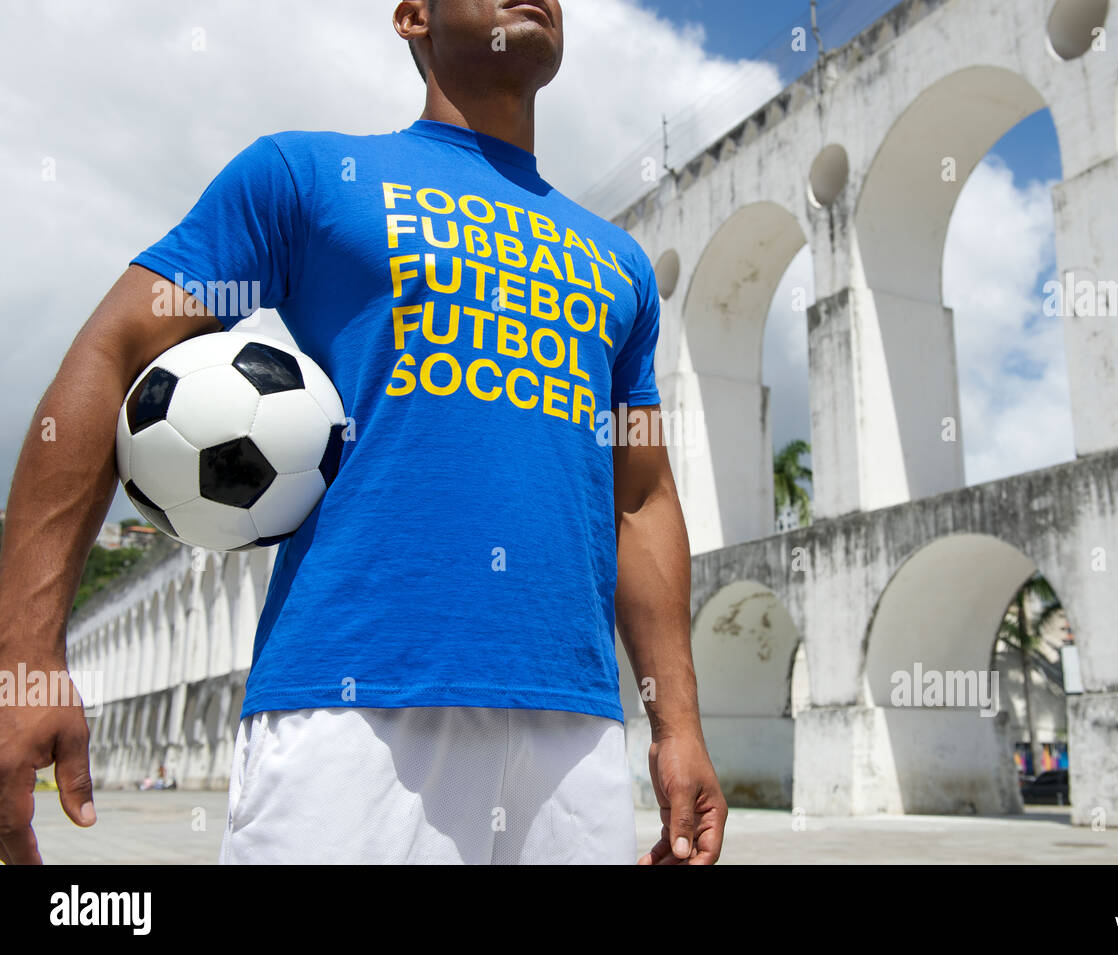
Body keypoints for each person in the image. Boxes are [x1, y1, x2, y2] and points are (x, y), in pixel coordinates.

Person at [0, 0, 726, 865]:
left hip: (573, 731)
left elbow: (640, 497)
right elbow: (112, 352)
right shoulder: (305, 177)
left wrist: (677, 723)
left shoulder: (620, 262)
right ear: (412, 16)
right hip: (349, 707)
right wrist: (27, 661)